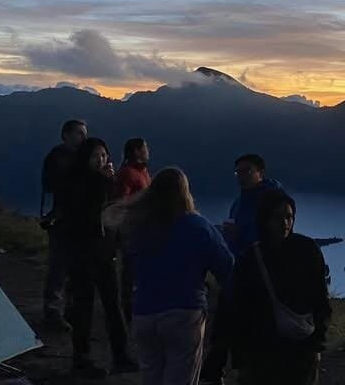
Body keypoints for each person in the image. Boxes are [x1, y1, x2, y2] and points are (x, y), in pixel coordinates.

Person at [115, 168, 233, 385]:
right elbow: (226, 266)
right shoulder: (198, 226)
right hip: (184, 314)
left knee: (152, 377)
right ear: (184, 192)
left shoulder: (140, 227)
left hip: (144, 313)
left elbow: (131, 266)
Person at [55, 137, 137, 378]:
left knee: (112, 306)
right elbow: (91, 216)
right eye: (96, 156)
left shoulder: (102, 182)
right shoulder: (79, 184)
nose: (101, 160)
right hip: (84, 256)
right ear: (85, 159)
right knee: (84, 308)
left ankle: (120, 356)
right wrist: (105, 182)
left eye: (104, 155)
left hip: (104, 254)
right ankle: (82, 360)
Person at [199, 154, 285, 385]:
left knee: (245, 327)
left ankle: (239, 373)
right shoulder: (240, 200)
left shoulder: (271, 200)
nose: (241, 176)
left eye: (247, 171)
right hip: (237, 272)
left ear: (261, 173)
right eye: (238, 172)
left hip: (259, 274)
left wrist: (241, 234)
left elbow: (274, 235)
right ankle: (214, 373)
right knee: (225, 324)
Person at [231, 190, 332, 385]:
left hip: (301, 351)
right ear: (264, 218)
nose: (285, 223)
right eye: (278, 217)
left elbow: (320, 297)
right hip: (262, 353)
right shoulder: (250, 260)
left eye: (289, 217)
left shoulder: (309, 251)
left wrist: (317, 340)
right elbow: (240, 310)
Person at [40, 118, 87, 332]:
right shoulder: (56, 157)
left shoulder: (81, 156)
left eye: (84, 133)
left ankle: (69, 309)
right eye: (79, 133)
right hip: (63, 219)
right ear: (66, 134)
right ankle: (52, 311)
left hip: (79, 219)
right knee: (59, 266)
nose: (83, 137)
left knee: (76, 266)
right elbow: (52, 185)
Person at [115, 137, 152, 322]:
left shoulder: (143, 171)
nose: (148, 151)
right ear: (137, 151)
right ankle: (128, 310)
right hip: (131, 230)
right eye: (145, 148)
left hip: (143, 229)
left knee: (140, 269)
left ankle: (138, 307)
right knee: (130, 271)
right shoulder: (128, 173)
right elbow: (122, 202)